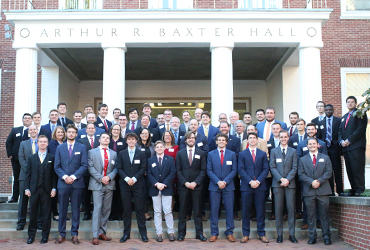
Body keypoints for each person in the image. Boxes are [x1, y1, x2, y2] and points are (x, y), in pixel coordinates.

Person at [54, 124, 88, 245]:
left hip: (77, 183)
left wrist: (73, 177)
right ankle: (61, 234)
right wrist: (65, 177)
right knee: (62, 210)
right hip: (63, 183)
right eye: (69, 132)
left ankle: (74, 234)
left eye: (73, 132)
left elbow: (84, 165)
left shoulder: (82, 147)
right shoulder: (60, 148)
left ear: (76, 134)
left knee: (75, 210)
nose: (71, 134)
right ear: (66, 133)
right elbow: (56, 166)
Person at [298, 137, 333, 245]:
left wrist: (319, 181)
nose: (312, 145)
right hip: (309, 191)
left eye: (314, 143)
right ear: (307, 146)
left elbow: (329, 172)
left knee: (324, 215)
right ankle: (312, 237)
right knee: (311, 215)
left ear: (318, 145)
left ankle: (326, 236)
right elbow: (301, 174)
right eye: (310, 144)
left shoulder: (326, 158)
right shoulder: (302, 159)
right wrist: (311, 182)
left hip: (323, 190)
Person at [24, 135, 57, 244]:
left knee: (46, 214)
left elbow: (54, 175)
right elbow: (27, 174)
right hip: (34, 189)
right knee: (33, 213)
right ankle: (31, 236)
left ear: (47, 144)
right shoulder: (31, 158)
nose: (42, 143)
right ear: (37, 143)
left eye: (44, 142)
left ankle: (45, 236)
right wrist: (27, 188)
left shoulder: (52, 157)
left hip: (47, 190)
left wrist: (53, 188)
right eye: (40, 142)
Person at [116, 133, 148, 243]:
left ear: (136, 141)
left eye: (133, 139)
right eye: (129, 139)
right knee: (127, 210)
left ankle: (143, 234)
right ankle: (126, 234)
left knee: (140, 209)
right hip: (125, 185)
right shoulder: (121, 153)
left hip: (138, 185)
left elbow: (143, 168)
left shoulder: (141, 153)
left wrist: (134, 179)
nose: (130, 141)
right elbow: (119, 168)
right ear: (126, 141)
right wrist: (126, 179)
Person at [176, 131, 207, 242]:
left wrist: (195, 182)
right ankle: (181, 234)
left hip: (197, 186)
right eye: (189, 138)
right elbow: (178, 170)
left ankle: (199, 234)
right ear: (185, 140)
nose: (191, 140)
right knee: (183, 211)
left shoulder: (201, 153)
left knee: (197, 212)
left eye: (193, 138)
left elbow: (203, 170)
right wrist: (185, 183)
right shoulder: (180, 153)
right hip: (184, 186)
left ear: (195, 140)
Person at [238, 132, 269, 244]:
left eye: (254, 138)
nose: (252, 140)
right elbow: (241, 169)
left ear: (257, 140)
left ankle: (262, 234)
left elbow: (266, 169)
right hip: (247, 186)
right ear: (247, 140)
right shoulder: (242, 154)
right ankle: (246, 234)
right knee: (246, 211)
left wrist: (258, 181)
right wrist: (250, 181)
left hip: (260, 186)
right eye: (250, 138)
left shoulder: (262, 154)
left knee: (260, 211)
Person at [296, 122, 327, 230]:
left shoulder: (322, 144)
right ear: (306, 130)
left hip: (319, 178)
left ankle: (318, 221)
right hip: (306, 178)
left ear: (315, 130)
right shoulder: (301, 144)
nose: (310, 131)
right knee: (306, 200)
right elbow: (298, 158)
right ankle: (306, 222)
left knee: (319, 201)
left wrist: (319, 179)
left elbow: (325, 160)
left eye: (312, 129)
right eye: (308, 129)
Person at [207, 133, 237, 243]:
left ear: (226, 142)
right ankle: (214, 233)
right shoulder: (210, 154)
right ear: (216, 141)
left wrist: (225, 181)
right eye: (219, 140)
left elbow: (234, 170)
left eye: (223, 140)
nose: (221, 141)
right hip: (214, 186)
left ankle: (229, 232)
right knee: (214, 211)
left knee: (229, 210)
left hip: (228, 186)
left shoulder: (232, 154)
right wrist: (218, 181)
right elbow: (209, 170)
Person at [88, 132, 117, 245]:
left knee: (106, 209)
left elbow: (116, 168)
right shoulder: (92, 152)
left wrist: (108, 178)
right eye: (103, 137)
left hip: (109, 184)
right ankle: (95, 235)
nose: (105, 139)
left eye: (107, 138)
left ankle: (102, 232)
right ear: (99, 140)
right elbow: (90, 167)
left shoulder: (114, 154)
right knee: (97, 208)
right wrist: (101, 178)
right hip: (97, 184)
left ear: (109, 141)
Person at [269, 130, 298, 244]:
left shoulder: (293, 151)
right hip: (277, 184)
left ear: (288, 138)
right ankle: (279, 234)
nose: (283, 139)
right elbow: (272, 166)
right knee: (278, 210)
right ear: (279, 138)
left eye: (285, 137)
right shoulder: (274, 151)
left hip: (290, 184)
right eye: (281, 137)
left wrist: (287, 179)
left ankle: (292, 234)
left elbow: (295, 167)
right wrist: (281, 179)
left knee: (291, 210)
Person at [147, 141, 177, 242]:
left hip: (167, 188)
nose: (159, 148)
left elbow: (172, 173)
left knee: (168, 211)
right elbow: (149, 174)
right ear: (154, 149)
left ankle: (171, 232)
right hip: (155, 188)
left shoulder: (170, 159)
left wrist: (164, 184)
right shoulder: (150, 160)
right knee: (157, 211)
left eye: (161, 147)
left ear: (164, 148)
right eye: (157, 147)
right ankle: (159, 233)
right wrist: (156, 184)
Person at [338, 96, 368, 196]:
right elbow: (340, 132)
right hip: (346, 148)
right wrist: (341, 141)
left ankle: (359, 189)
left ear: (355, 103)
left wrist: (348, 140)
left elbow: (360, 130)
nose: (350, 104)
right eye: (348, 102)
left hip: (356, 147)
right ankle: (353, 189)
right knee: (350, 169)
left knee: (357, 168)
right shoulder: (344, 117)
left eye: (352, 102)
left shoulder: (360, 114)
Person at [6, 113, 32, 203]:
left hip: (29, 159)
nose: (27, 120)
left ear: (31, 120)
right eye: (25, 118)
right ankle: (15, 197)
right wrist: (10, 154)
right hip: (16, 159)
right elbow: (8, 142)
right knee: (16, 177)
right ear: (22, 120)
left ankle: (29, 197)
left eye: (29, 118)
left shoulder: (33, 130)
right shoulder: (15, 130)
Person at [316, 104, 342, 195]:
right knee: (328, 169)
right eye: (326, 110)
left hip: (335, 148)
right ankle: (331, 191)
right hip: (325, 149)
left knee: (337, 169)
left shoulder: (338, 120)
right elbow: (319, 136)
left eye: (330, 110)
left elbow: (340, 133)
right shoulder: (320, 122)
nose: (328, 111)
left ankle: (340, 190)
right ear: (324, 111)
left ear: (333, 110)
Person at [17, 125, 38, 231]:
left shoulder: (42, 143)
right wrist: (29, 170)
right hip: (24, 175)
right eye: (31, 130)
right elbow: (21, 158)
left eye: (34, 129)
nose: (33, 131)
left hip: (39, 176)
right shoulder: (23, 144)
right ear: (28, 132)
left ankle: (37, 221)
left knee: (36, 200)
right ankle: (21, 222)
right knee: (23, 200)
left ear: (37, 131)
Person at [78, 123, 100, 221]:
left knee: (97, 193)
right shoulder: (81, 141)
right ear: (85, 130)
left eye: (92, 128)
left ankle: (97, 212)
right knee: (86, 193)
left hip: (98, 171)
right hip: (86, 171)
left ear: (95, 130)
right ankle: (87, 212)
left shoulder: (99, 140)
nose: (91, 130)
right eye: (89, 128)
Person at [108, 123, 127, 221]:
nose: (116, 131)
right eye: (114, 129)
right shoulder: (108, 141)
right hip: (109, 170)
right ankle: (112, 213)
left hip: (121, 170)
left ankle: (119, 213)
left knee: (120, 193)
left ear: (120, 131)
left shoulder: (124, 141)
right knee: (111, 193)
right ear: (111, 130)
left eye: (118, 129)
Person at [136, 127, 155, 221]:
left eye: (146, 133)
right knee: (140, 194)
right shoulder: (136, 145)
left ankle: (146, 212)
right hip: (139, 173)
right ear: (140, 135)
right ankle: (142, 213)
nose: (145, 135)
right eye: (143, 133)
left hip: (150, 173)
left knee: (147, 194)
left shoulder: (153, 146)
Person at [48, 126, 66, 221]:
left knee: (62, 194)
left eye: (62, 132)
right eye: (58, 132)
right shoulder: (52, 143)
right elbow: (56, 156)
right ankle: (55, 213)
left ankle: (62, 214)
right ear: (55, 133)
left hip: (64, 171)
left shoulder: (65, 143)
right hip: (55, 171)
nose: (60, 134)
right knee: (54, 193)